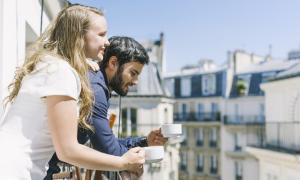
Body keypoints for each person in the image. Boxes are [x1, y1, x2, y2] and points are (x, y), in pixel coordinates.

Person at [0, 5, 144, 180]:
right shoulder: (61, 72)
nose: (107, 42)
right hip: (15, 171)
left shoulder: (52, 65)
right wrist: (123, 163)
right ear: (79, 35)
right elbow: (68, 150)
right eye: (101, 35)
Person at [45, 36, 168, 180]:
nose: (135, 82)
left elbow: (105, 142)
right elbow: (110, 150)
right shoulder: (96, 90)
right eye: (133, 73)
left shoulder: (97, 83)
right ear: (113, 63)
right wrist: (140, 157)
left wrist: (144, 142)